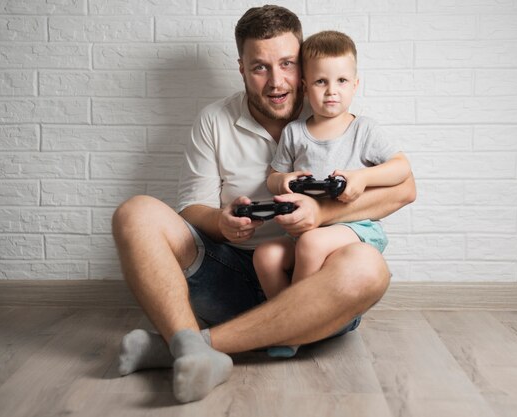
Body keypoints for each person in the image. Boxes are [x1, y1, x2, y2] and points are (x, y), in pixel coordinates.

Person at [111, 5, 416, 404]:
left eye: (287, 64)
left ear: (303, 63)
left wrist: (322, 214)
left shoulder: (330, 104)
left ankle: (186, 348)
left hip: (317, 286)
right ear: (241, 68)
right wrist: (224, 223)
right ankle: (203, 344)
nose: (277, 82)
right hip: (233, 273)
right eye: (260, 67)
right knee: (134, 213)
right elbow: (190, 208)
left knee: (369, 268)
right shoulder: (214, 120)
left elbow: (404, 188)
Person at [253, 31, 412, 356]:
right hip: (306, 232)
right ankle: (284, 318)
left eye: (341, 81)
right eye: (321, 82)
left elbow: (401, 168)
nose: (331, 91)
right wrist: (283, 181)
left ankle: (293, 327)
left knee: (312, 243)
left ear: (355, 85)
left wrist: (363, 178)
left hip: (356, 229)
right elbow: (272, 177)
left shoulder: (363, 130)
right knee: (265, 256)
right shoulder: (295, 133)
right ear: (304, 86)